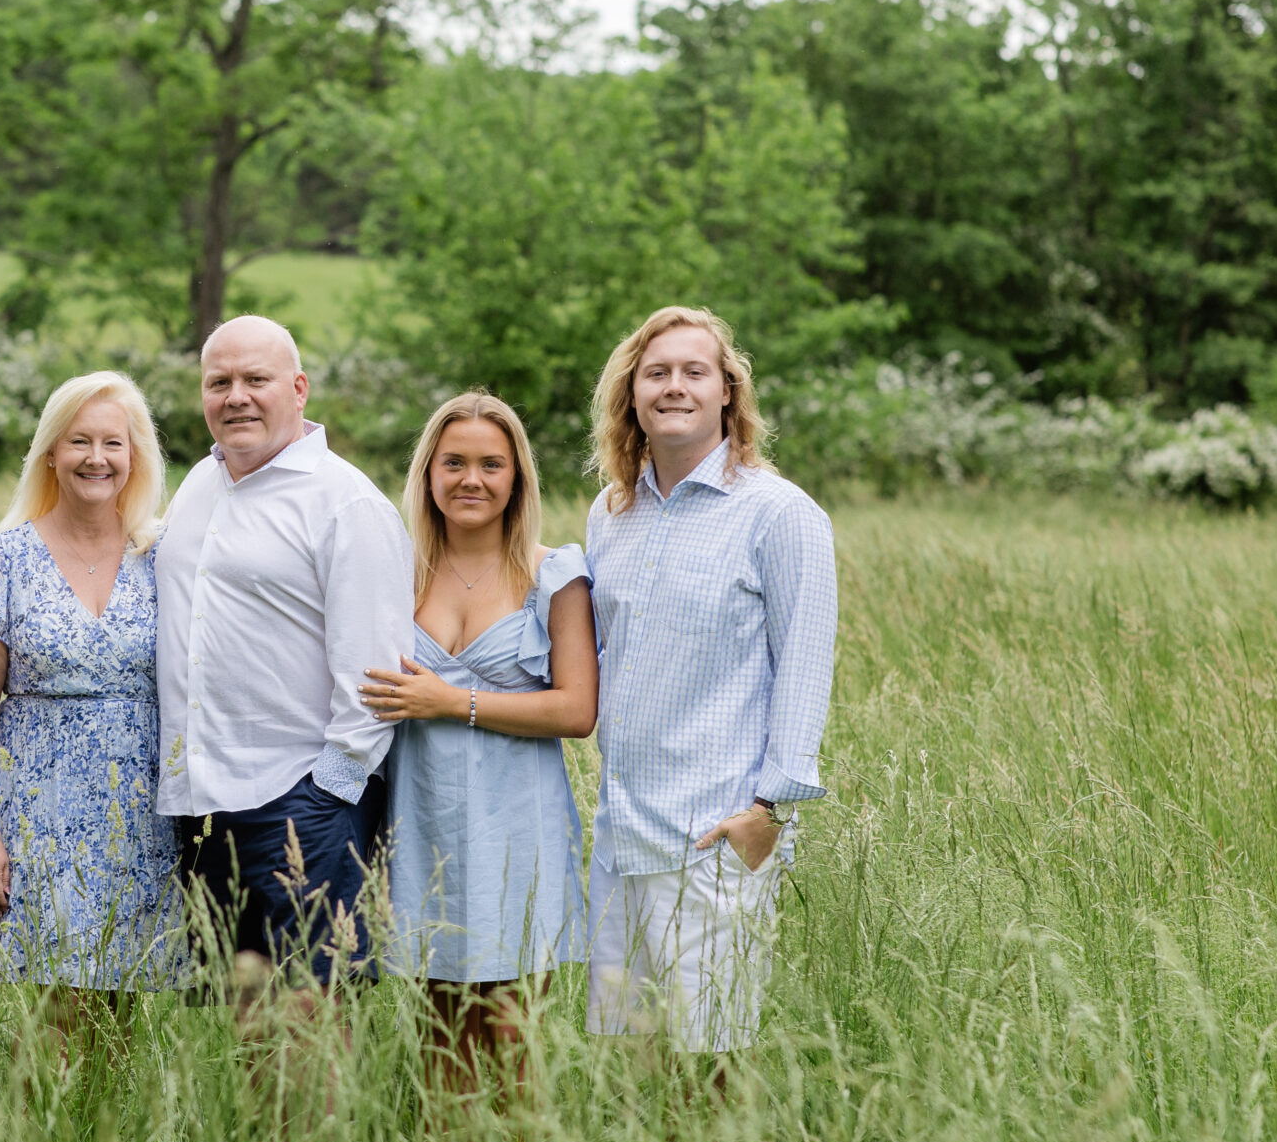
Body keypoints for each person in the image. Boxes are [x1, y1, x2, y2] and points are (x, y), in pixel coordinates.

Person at [580, 306, 837, 1061]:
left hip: (715, 836)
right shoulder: (610, 512)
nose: (674, 386)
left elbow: (804, 666)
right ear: (632, 395)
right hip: (622, 833)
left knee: (713, 1060)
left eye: (695, 371)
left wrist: (770, 812)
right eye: (656, 373)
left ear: (728, 391)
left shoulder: (779, 514)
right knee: (630, 1056)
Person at [154, 315, 414, 1001]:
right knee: (245, 1020)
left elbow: (378, 674)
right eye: (219, 382)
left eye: (255, 379)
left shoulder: (345, 501)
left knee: (306, 1020)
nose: (236, 395)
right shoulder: (198, 486)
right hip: (205, 808)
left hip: (300, 799)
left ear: (297, 388)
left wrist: (326, 792)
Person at [359, 392, 598, 1089]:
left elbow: (577, 708)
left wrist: (450, 700)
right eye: (454, 461)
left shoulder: (554, 574)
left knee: (509, 1031)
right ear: (427, 473)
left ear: (517, 477)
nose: (472, 479)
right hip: (422, 819)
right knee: (440, 1034)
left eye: (492, 464)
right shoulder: (394, 574)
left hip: (516, 822)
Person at [0, 372, 184, 1027]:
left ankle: (104, 1134)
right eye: (78, 441)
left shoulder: (163, 555)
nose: (96, 458)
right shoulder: (4, 559)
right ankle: (42, 1135)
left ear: (134, 455)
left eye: (114, 442)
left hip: (139, 817)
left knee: (119, 1016)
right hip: (38, 816)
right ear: (51, 452)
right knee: (57, 1016)